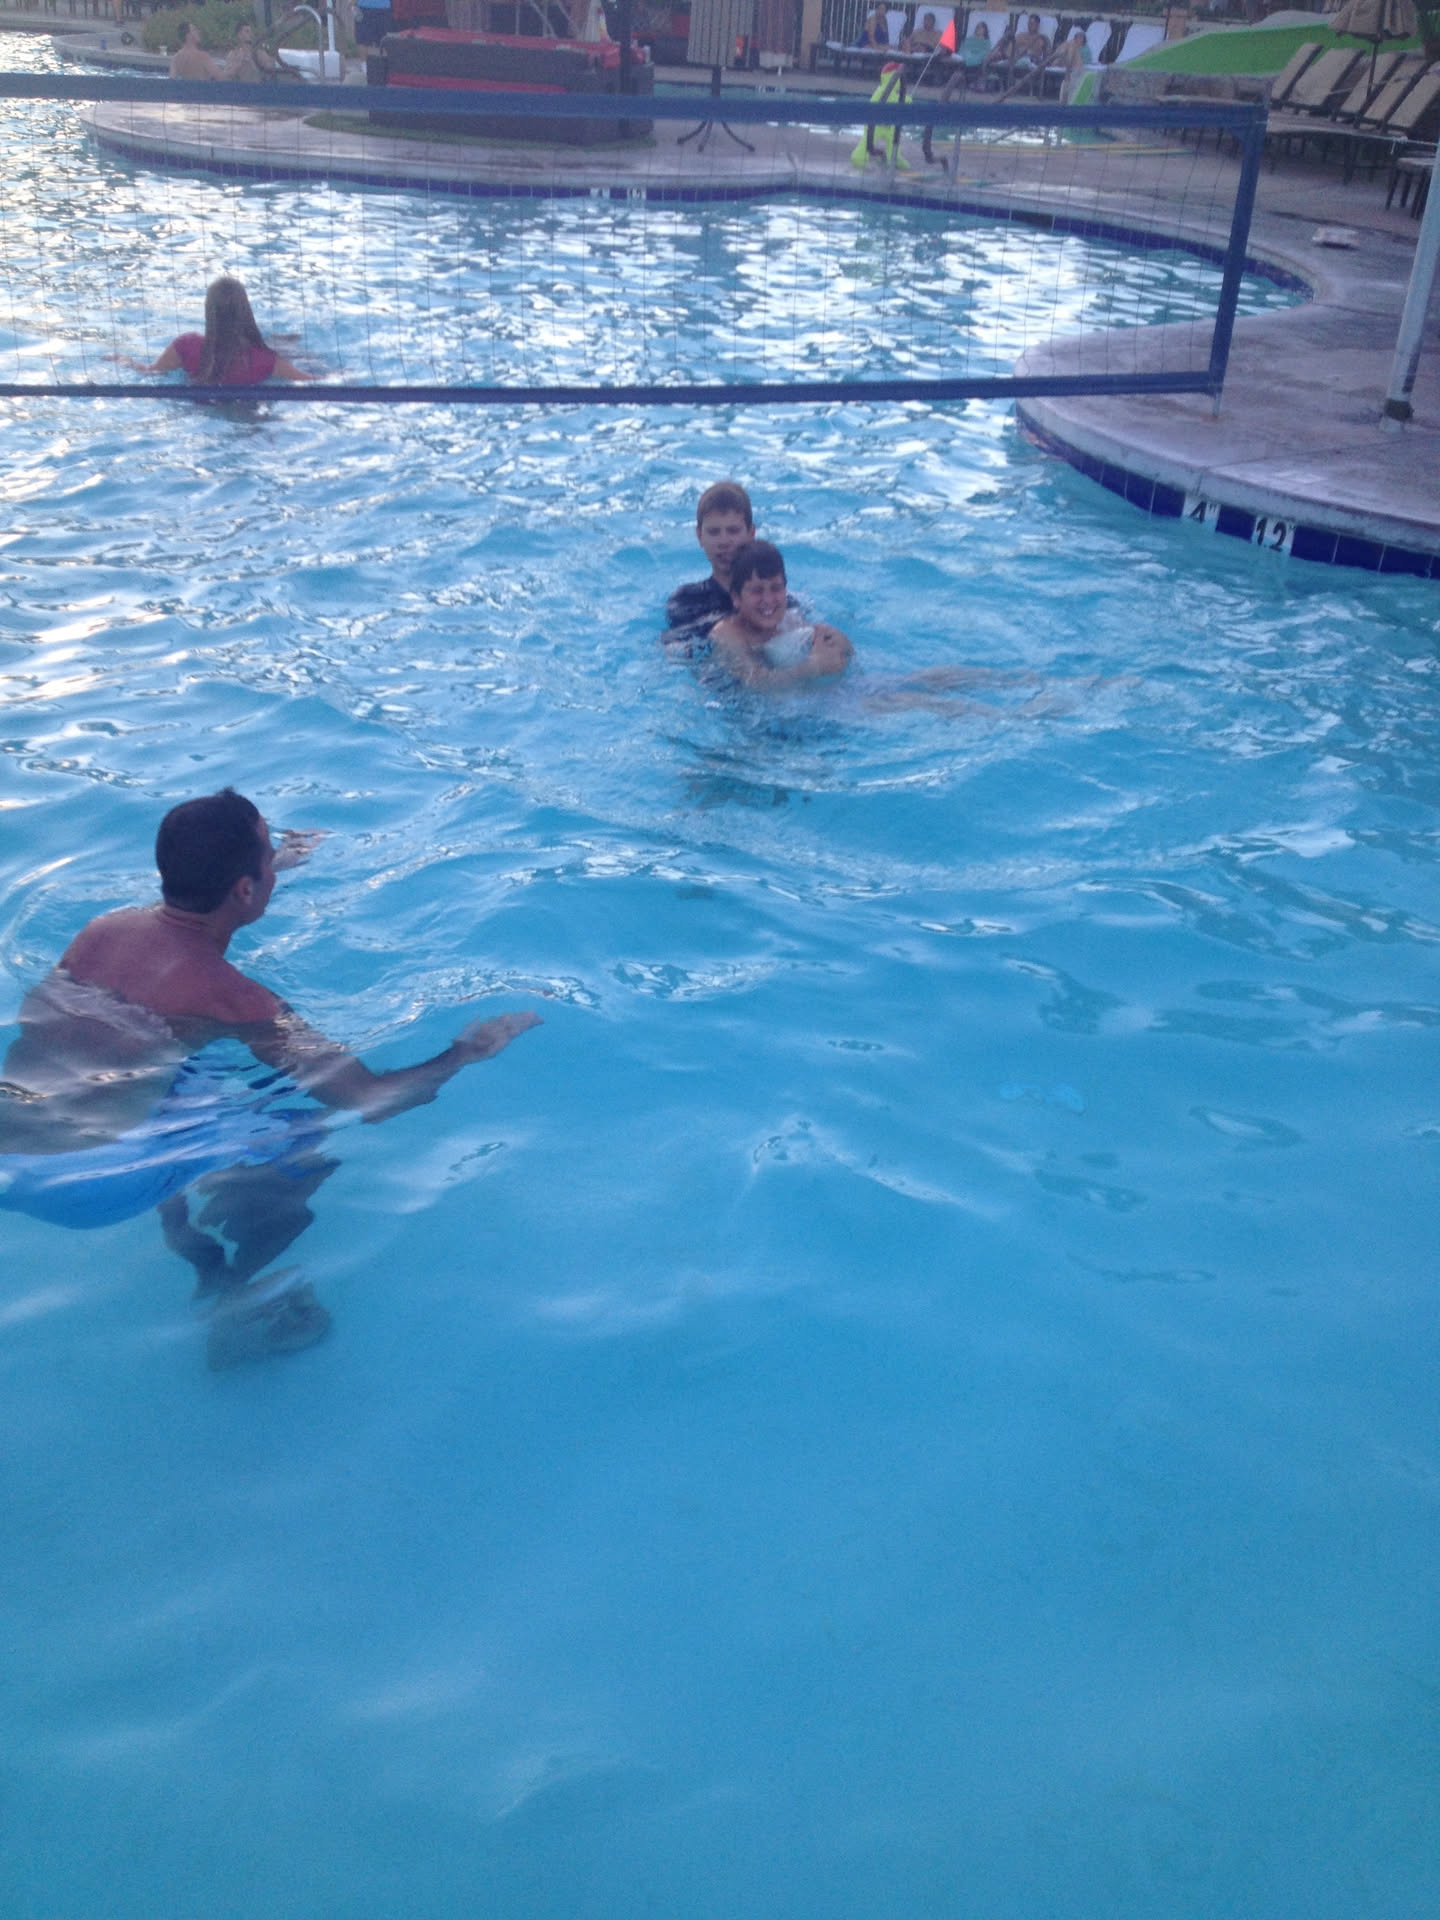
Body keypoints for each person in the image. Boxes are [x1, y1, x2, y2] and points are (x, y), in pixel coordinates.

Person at [0, 791, 541, 1368]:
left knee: (182, 1068)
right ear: (243, 889)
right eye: (267, 859)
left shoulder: (100, 931)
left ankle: (183, 1226)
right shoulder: (238, 1001)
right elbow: (373, 1100)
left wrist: (265, 865)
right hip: (94, 1183)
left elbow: (179, 920)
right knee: (300, 1140)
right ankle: (233, 1296)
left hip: (10, 1151)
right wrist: (465, 1053)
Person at [707, 541, 854, 690]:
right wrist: (812, 667)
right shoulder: (726, 634)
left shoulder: (791, 619)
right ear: (736, 597)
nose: (768, 600)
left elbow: (839, 655)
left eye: (776, 588)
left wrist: (841, 643)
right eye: (757, 591)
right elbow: (757, 684)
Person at [141, 276, 316, 387]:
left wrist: (126, 360)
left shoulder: (186, 346)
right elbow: (316, 383)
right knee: (284, 347)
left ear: (209, 311)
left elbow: (150, 372)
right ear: (245, 312)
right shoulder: (265, 360)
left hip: (202, 408)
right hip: (249, 412)